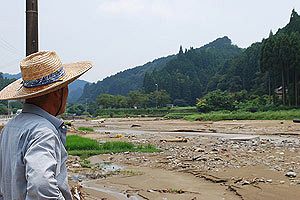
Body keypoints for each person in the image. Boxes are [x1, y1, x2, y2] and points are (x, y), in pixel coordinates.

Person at [0, 51, 92, 199]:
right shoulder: (43, 132)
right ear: (58, 92)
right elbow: (41, 186)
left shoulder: (10, 127)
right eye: (66, 87)